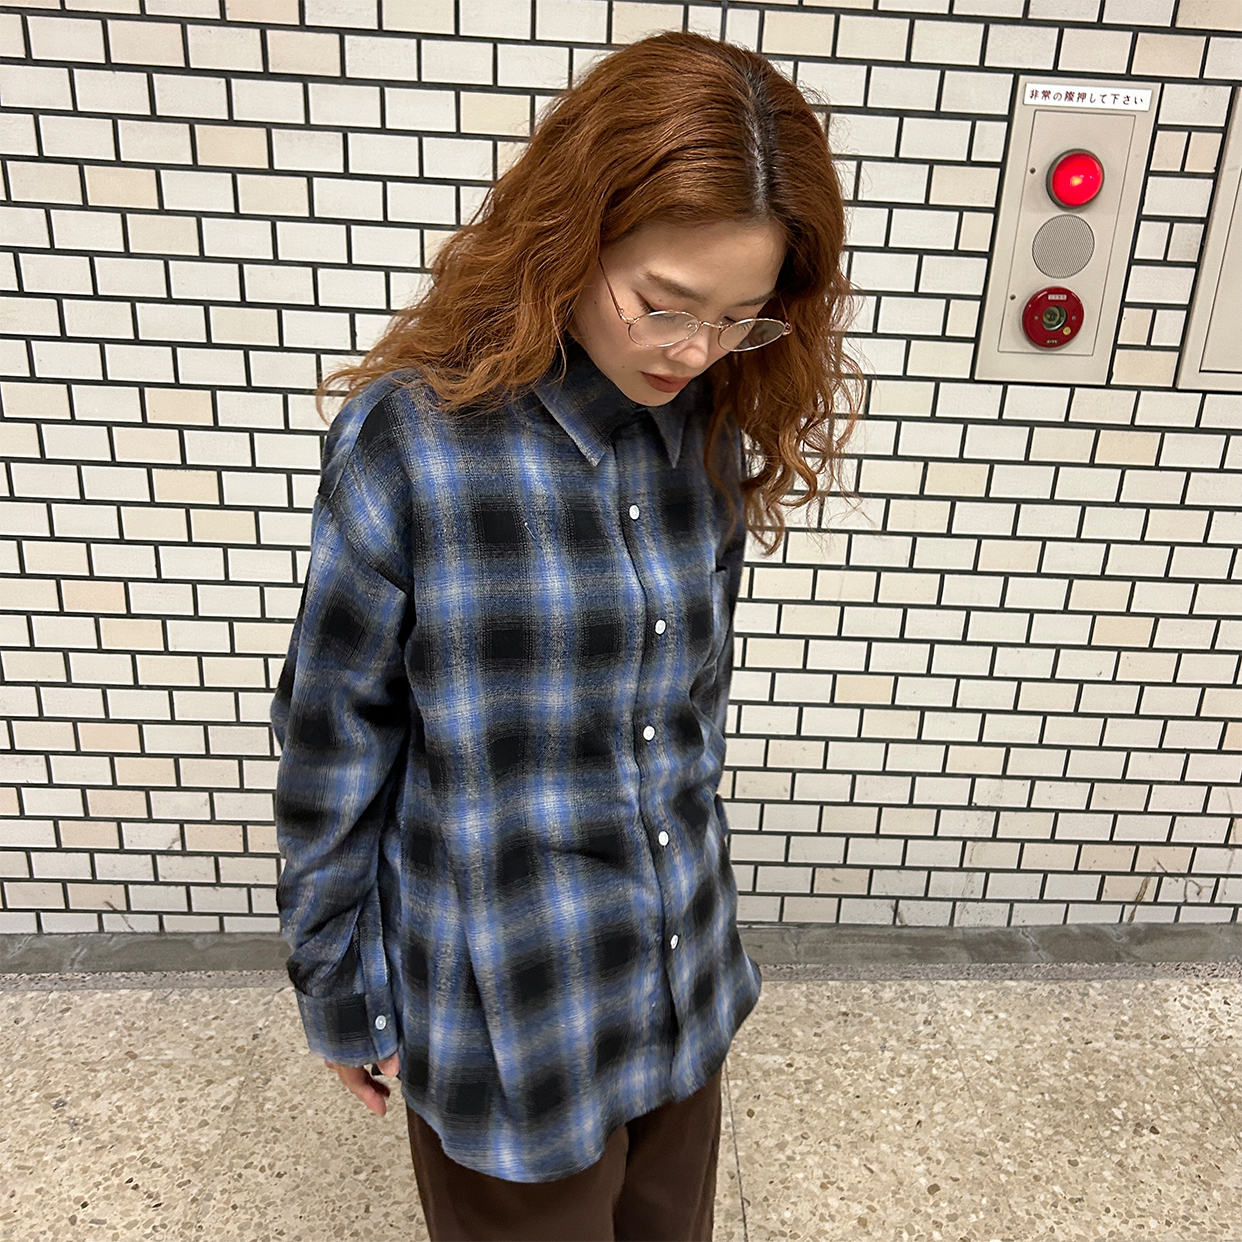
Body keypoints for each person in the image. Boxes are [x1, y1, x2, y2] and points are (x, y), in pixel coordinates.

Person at [268, 28, 863, 1242]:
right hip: (510, 1011)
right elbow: (334, 737)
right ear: (573, 235)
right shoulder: (417, 444)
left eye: (740, 319)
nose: (695, 351)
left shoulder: (705, 427)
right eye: (664, 306)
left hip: (679, 980)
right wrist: (339, 984)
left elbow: (687, 715)